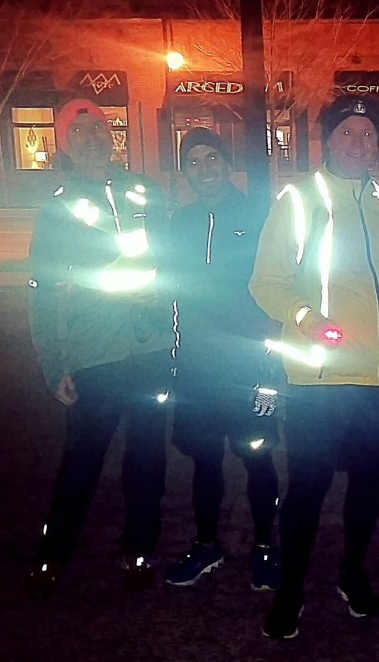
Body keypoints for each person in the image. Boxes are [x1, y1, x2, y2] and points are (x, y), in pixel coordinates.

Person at [248, 95, 379, 639]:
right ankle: (291, 589)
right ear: (328, 141)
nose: (359, 143)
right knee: (308, 486)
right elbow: (266, 283)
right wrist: (310, 320)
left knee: (367, 481)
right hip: (320, 375)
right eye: (347, 132)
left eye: (367, 133)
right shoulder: (298, 200)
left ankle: (352, 572)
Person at [24, 98, 174, 598]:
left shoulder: (145, 191)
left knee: (148, 457)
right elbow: (43, 290)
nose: (90, 139)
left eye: (97, 129)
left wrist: (167, 305)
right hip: (95, 352)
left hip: (150, 348)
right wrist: (53, 364)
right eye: (78, 131)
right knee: (82, 458)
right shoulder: (58, 206)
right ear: (65, 144)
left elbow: (174, 260)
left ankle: (139, 548)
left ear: (112, 136)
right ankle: (53, 553)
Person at [159, 127, 281, 592]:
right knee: (204, 460)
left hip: (250, 368)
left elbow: (277, 294)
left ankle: (265, 546)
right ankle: (207, 545)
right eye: (193, 162)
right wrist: (175, 361)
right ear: (184, 171)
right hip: (197, 368)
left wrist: (271, 366)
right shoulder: (180, 223)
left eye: (212, 159)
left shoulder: (259, 218)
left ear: (228, 165)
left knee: (258, 457)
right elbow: (171, 295)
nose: (204, 169)